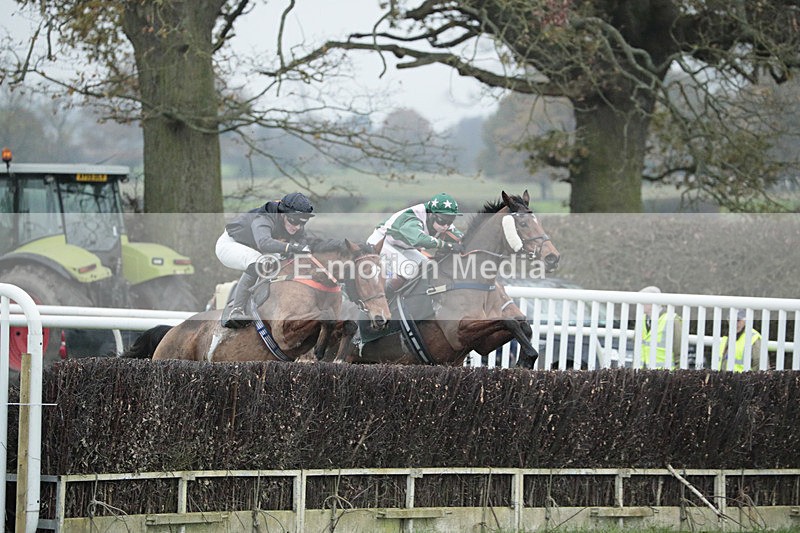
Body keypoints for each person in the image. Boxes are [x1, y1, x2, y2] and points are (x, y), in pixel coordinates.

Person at [215, 192, 314, 328]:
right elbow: (264, 243)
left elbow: (303, 248)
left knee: (282, 263)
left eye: (302, 223)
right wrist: (292, 247)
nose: (297, 227)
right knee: (258, 261)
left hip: (256, 248)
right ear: (282, 214)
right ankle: (236, 310)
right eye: (294, 221)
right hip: (230, 245)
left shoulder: (295, 225)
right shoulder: (264, 217)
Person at [367, 192, 465, 296]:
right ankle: (381, 299)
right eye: (442, 220)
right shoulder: (413, 217)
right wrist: (447, 246)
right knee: (408, 268)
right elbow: (419, 240)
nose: (445, 226)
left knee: (429, 267)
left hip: (404, 246)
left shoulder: (440, 219)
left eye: (450, 221)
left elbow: (461, 237)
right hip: (382, 243)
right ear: (431, 214)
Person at [638, 286, 683, 369]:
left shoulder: (673, 319)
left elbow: (679, 352)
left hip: (665, 375)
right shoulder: (641, 319)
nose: (640, 303)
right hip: (643, 374)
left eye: (643, 300)